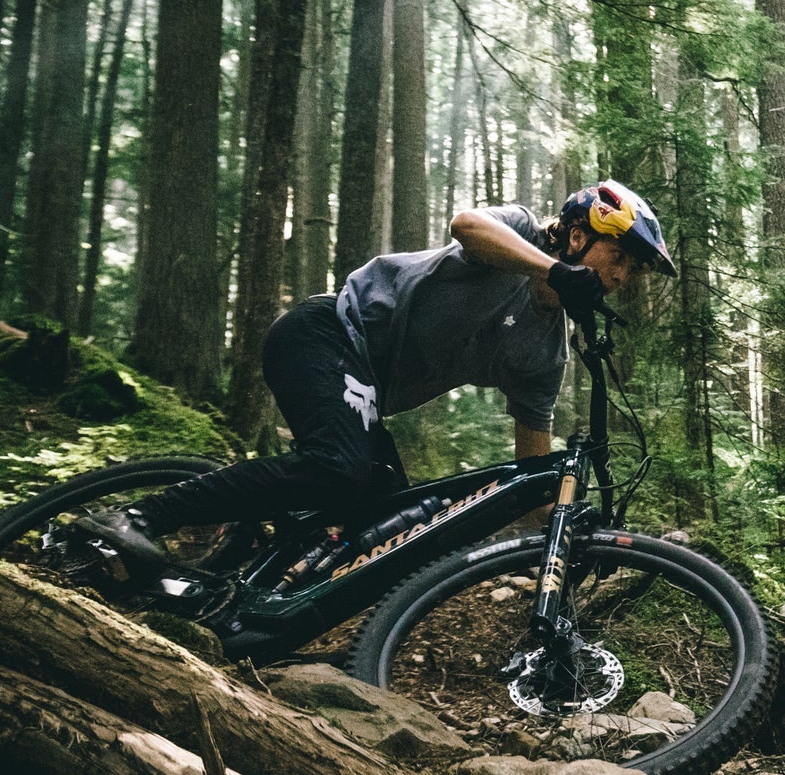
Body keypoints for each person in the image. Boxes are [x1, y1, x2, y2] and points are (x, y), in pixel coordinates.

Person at [77, 180, 675, 566]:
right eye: (618, 257)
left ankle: (232, 572)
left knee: (393, 526)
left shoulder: (545, 355)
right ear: (576, 235)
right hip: (326, 333)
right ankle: (136, 517)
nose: (621, 279)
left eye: (632, 273)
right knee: (339, 467)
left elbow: (529, 473)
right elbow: (466, 226)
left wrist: (569, 532)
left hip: (363, 388)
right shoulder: (520, 231)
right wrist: (551, 270)